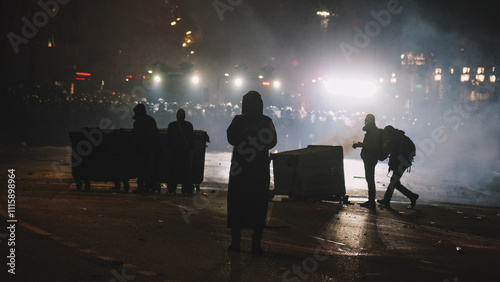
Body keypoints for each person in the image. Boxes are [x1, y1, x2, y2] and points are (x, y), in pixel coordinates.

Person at [226, 91, 277, 255]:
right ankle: (255, 244)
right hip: (259, 169)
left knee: (237, 203)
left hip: (240, 168)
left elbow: (231, 138)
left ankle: (236, 243)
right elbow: (272, 141)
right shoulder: (266, 121)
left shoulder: (239, 120)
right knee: (258, 204)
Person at [377, 125, 419, 209]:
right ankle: (387, 199)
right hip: (404, 163)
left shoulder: (396, 140)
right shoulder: (400, 138)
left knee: (394, 182)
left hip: (401, 163)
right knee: (394, 181)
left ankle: (412, 196)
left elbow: (392, 153)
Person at [353, 114, 384, 208]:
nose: (365, 122)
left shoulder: (374, 132)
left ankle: (371, 201)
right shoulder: (371, 131)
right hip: (369, 158)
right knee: (369, 179)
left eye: (366, 120)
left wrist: (362, 145)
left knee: (370, 179)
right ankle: (370, 200)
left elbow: (374, 146)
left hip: (371, 158)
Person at [166, 108, 195, 195]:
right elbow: (191, 139)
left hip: (174, 152)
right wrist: (192, 150)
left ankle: (172, 189)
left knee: (173, 171)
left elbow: (169, 139)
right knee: (185, 171)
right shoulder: (189, 125)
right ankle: (185, 189)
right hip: (185, 152)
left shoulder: (171, 125)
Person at [132, 103, 159, 193]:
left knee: (141, 169)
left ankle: (141, 187)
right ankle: (148, 186)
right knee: (148, 168)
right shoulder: (151, 120)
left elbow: (136, 136)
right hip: (150, 148)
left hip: (141, 148)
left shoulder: (138, 122)